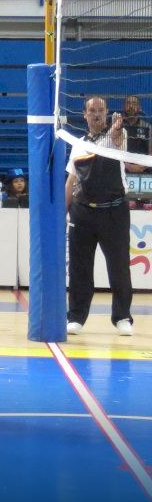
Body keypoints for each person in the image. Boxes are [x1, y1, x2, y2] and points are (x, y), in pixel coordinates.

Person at [65, 97, 133, 337]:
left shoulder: (117, 136)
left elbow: (117, 137)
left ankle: (122, 317)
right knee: (79, 268)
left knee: (119, 267)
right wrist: (63, 213)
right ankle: (75, 317)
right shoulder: (78, 144)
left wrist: (117, 127)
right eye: (92, 110)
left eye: (101, 110)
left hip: (114, 211)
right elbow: (71, 181)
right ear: (84, 114)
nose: (96, 114)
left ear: (106, 113)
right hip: (82, 212)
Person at [121, 95, 149, 173]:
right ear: (123, 107)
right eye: (128, 103)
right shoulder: (116, 126)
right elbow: (111, 150)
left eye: (134, 103)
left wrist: (141, 167)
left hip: (143, 171)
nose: (131, 106)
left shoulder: (148, 127)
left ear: (139, 108)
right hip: (119, 169)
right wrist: (127, 166)